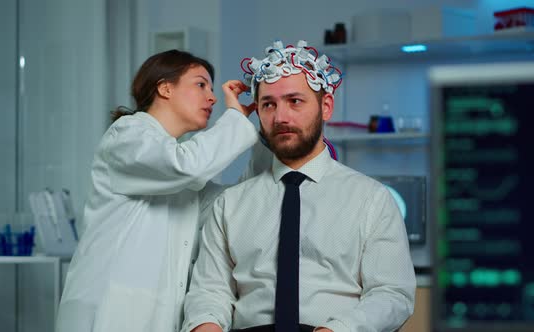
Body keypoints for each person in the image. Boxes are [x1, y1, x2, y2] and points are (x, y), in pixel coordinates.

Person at [181, 40, 416, 332]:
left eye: (295, 101)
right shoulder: (230, 204)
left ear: (326, 107)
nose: (280, 117)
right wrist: (205, 325)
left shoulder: (371, 199)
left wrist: (339, 330)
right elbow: (210, 291)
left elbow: (392, 294)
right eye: (268, 105)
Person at [56, 49, 260, 332]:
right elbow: (186, 166)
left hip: (154, 316)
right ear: (165, 87)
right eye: (201, 85)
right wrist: (236, 118)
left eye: (211, 89)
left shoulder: (176, 172)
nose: (212, 97)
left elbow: (230, 203)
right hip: (108, 312)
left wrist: (270, 131)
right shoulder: (127, 136)